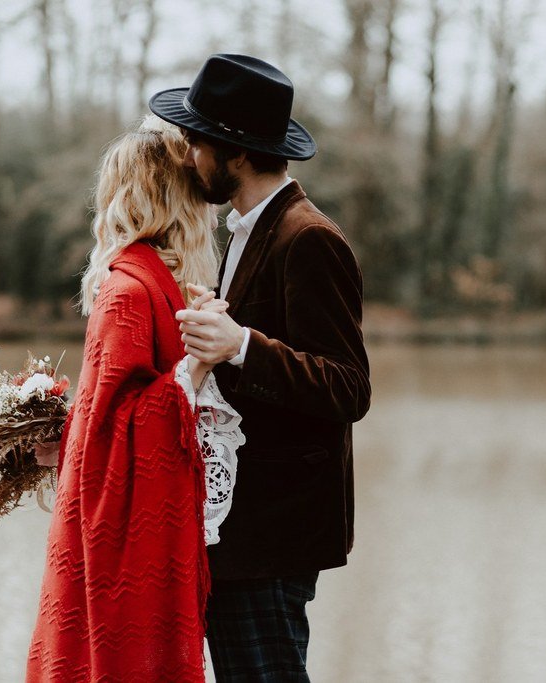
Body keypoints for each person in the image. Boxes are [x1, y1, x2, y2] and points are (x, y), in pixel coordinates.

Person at [149, 53, 372, 681]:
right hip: (244, 526)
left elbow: (349, 387)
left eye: (195, 144)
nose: (188, 156)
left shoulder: (308, 238)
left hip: (275, 532)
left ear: (236, 153)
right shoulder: (249, 229)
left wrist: (241, 344)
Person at [25, 116, 245, 682]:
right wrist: (198, 361)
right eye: (193, 190)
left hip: (151, 529)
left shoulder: (155, 283)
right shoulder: (127, 292)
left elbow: (106, 411)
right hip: (120, 548)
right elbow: (114, 426)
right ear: (170, 199)